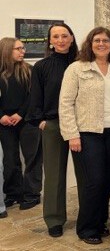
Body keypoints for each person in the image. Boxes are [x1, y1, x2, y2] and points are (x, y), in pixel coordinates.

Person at [59, 27, 110, 244]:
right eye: (97, 40)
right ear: (89, 44)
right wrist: (72, 134)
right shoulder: (76, 69)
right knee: (93, 181)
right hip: (88, 133)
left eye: (105, 41)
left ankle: (100, 222)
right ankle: (87, 228)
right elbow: (65, 103)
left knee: (108, 180)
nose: (101, 44)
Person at [29, 23, 81, 237]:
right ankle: (54, 219)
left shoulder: (82, 63)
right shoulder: (41, 66)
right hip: (54, 124)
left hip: (82, 123)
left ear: (71, 38)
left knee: (86, 174)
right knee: (54, 175)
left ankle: (89, 217)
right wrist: (41, 121)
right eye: (56, 36)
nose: (61, 40)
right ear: (50, 41)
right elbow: (35, 97)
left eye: (64, 36)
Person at [0, 37, 42, 210]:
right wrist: (1, 116)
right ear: (7, 50)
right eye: (18, 48)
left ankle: (32, 194)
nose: (23, 51)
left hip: (27, 120)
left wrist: (20, 114)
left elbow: (33, 96)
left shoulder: (29, 71)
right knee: (10, 160)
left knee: (32, 158)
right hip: (5, 122)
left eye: (23, 48)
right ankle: (13, 193)